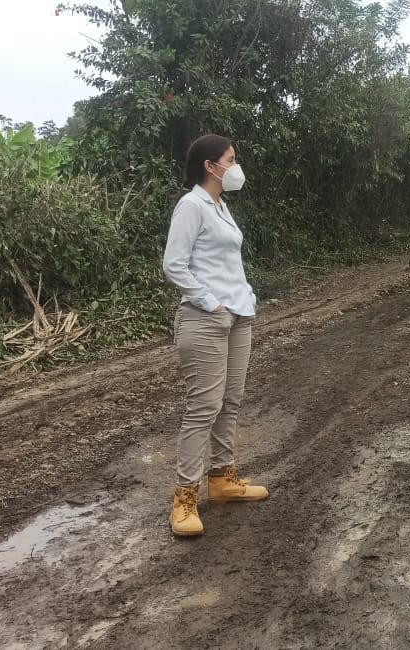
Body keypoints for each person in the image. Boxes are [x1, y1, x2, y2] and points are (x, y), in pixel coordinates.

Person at [162, 134, 269, 537]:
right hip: (205, 319)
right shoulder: (192, 205)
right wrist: (211, 303)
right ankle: (184, 498)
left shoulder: (221, 207)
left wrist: (245, 298)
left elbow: (225, 262)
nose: (235, 166)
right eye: (230, 159)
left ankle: (223, 479)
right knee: (203, 407)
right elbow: (174, 264)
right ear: (210, 165)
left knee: (230, 401)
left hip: (238, 316)